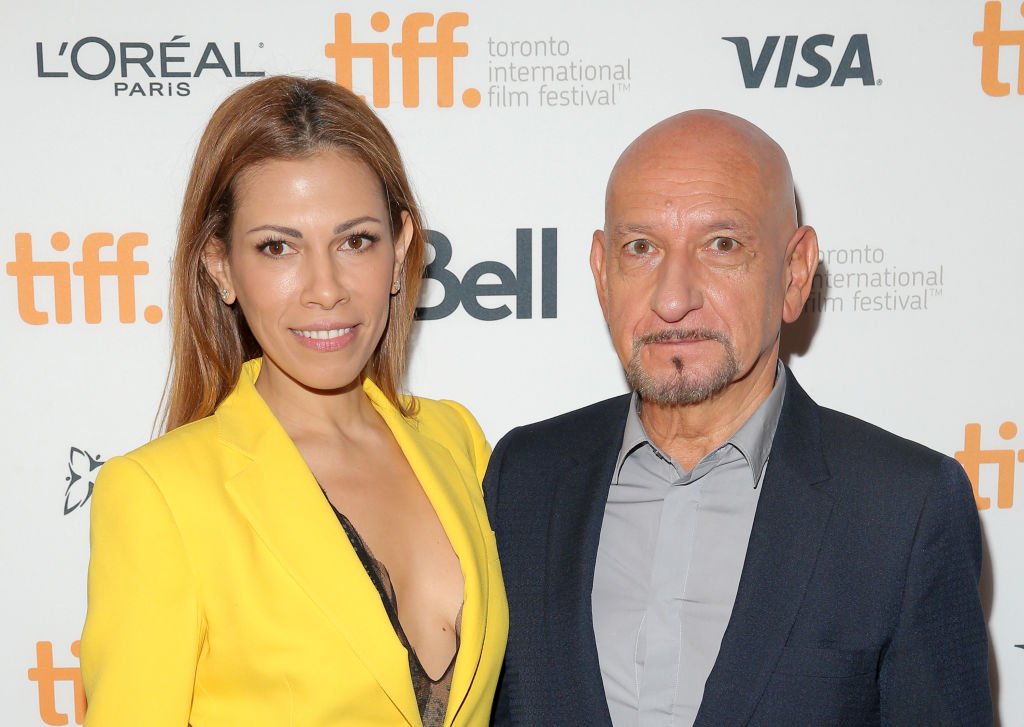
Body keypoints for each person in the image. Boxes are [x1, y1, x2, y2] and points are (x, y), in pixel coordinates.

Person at [484, 110, 991, 725]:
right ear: (600, 272)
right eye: (640, 248)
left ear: (795, 272)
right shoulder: (524, 478)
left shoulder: (903, 508)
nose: (673, 299)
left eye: (721, 245)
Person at [80, 76, 507, 727]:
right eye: (278, 247)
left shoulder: (457, 439)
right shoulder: (159, 495)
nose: (325, 288)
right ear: (220, 266)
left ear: (400, 250)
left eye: (356, 240)